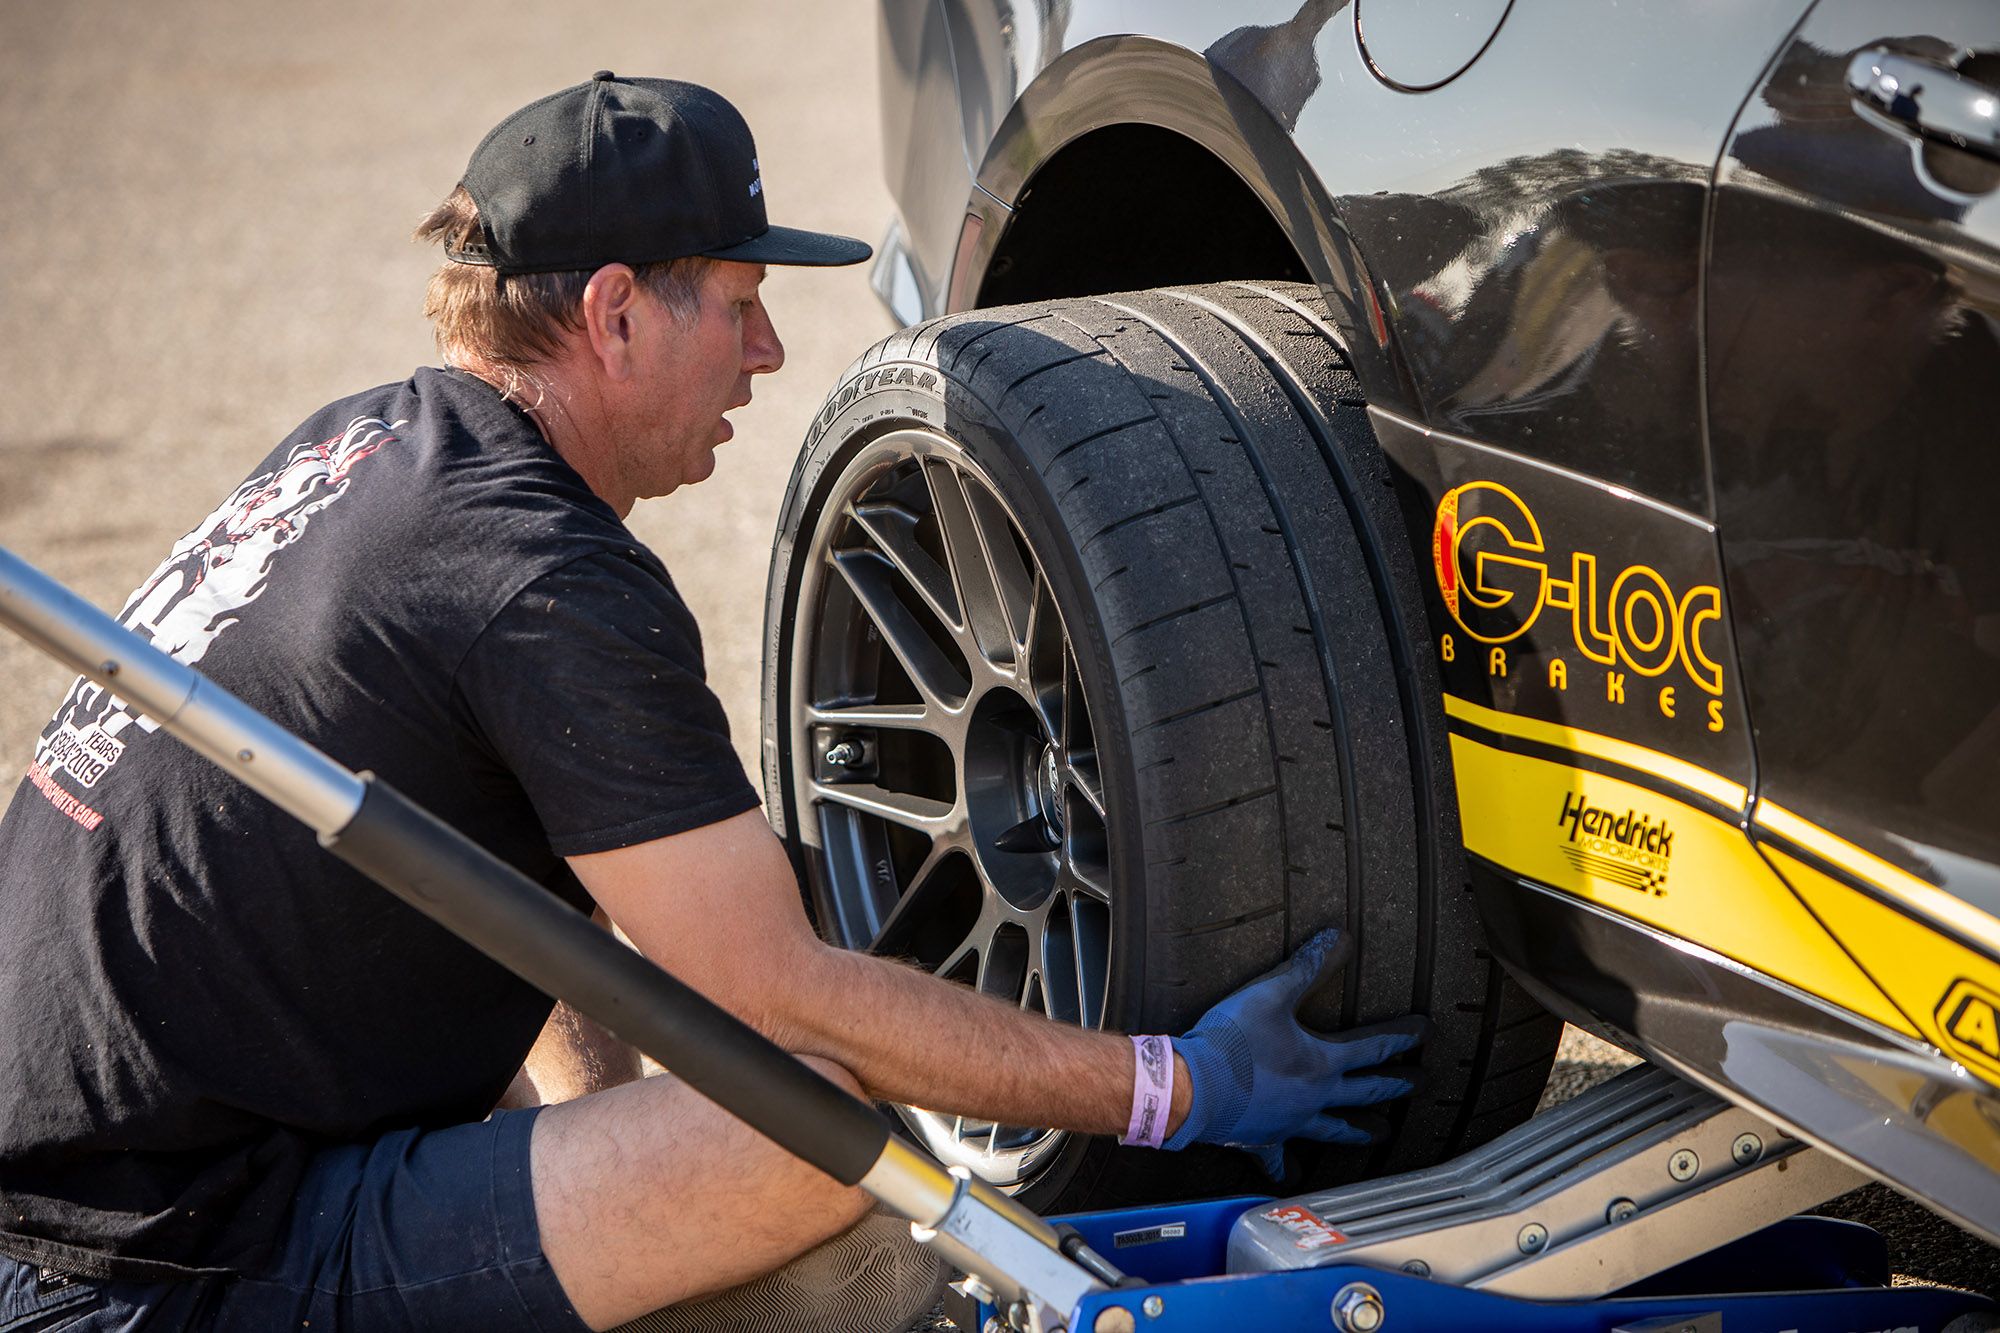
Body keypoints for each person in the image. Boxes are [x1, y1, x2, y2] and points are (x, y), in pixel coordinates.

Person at [0, 74, 1425, 1332]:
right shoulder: (536, 573)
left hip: (94, 1153)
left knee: (725, 1068)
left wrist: (606, 1127)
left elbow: (535, 900)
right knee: (828, 1134)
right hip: (156, 1265)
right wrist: (1173, 1086)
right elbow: (786, 996)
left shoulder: (366, 448)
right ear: (616, 310)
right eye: (741, 304)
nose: (770, 357)